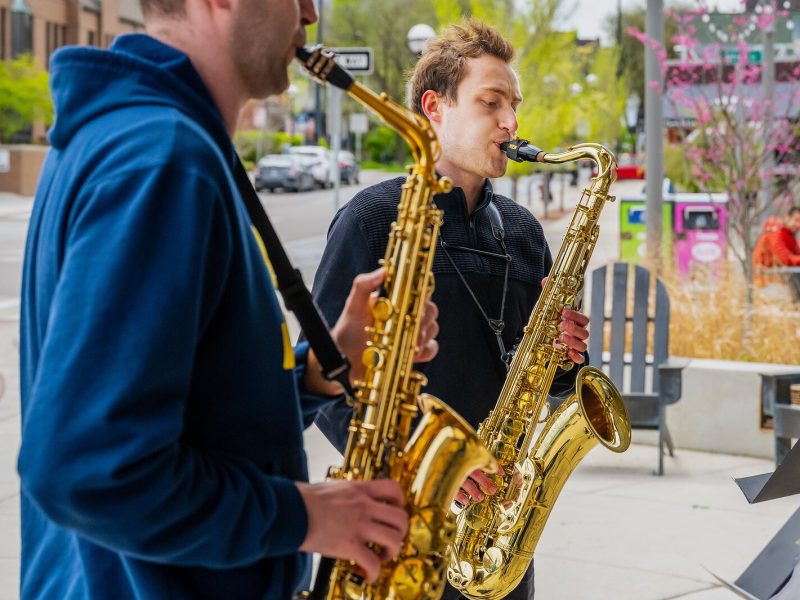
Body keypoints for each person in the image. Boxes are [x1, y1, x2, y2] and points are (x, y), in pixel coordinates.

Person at [17, 1, 441, 598]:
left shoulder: (137, 138)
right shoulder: (160, 158)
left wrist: (318, 373)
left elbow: (188, 416)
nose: (311, 15)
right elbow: (86, 472)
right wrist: (306, 516)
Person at [310, 18, 591, 600]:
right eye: (491, 103)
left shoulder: (521, 231)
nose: (512, 122)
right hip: (399, 527)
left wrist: (562, 358)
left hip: (496, 536)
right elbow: (330, 389)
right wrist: (428, 464)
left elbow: (540, 380)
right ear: (435, 107)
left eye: (513, 104)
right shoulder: (370, 220)